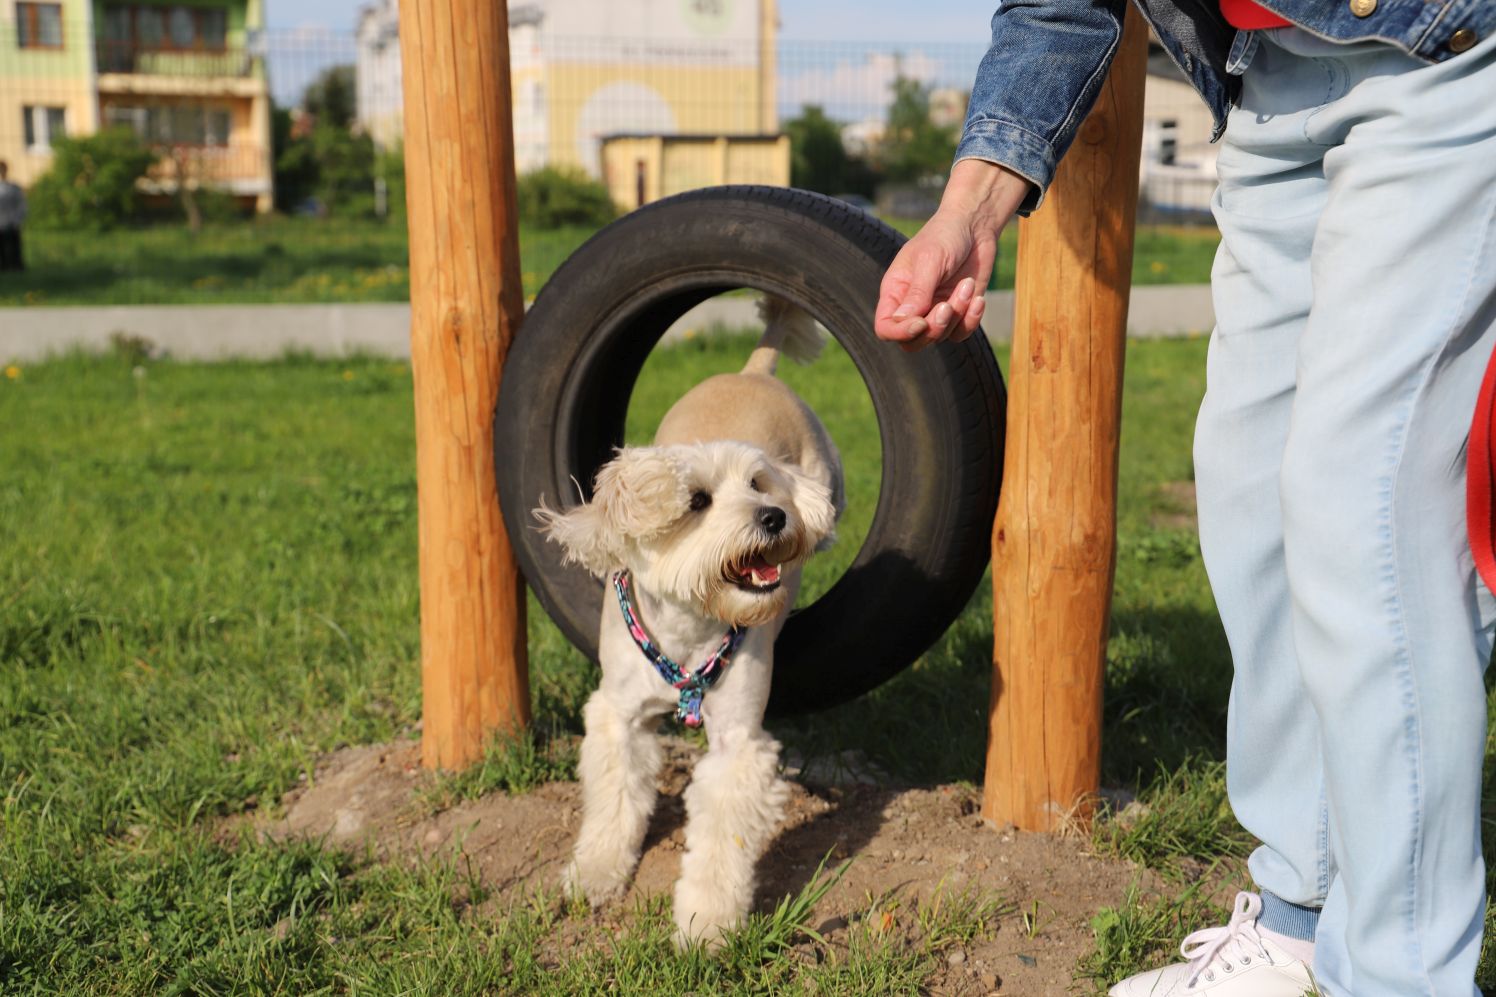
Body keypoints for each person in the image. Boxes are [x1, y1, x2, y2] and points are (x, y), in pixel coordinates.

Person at [876, 4, 1496, 996]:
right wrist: (967, 210)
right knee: (1248, 499)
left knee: (1363, 511)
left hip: (1441, 64)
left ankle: (1401, 975)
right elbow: (1056, 8)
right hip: (1267, 86)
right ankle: (1300, 919)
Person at [0, 161, 25, 273]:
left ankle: (15, 268)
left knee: (13, 249)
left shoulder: (13, 188)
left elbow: (21, 205)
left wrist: (17, 220)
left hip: (11, 222)